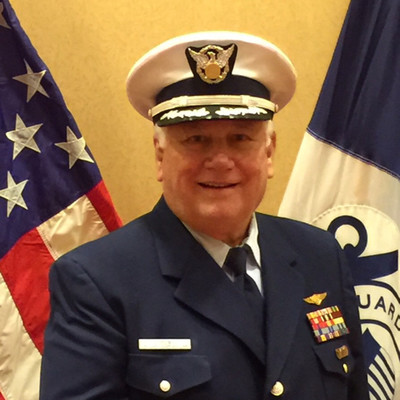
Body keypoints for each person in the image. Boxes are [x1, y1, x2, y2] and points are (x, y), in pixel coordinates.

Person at [39, 31, 368, 399]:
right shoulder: (97, 282)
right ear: (160, 155)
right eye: (196, 139)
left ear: (269, 152)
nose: (221, 161)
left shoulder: (319, 255)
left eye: (240, 138)